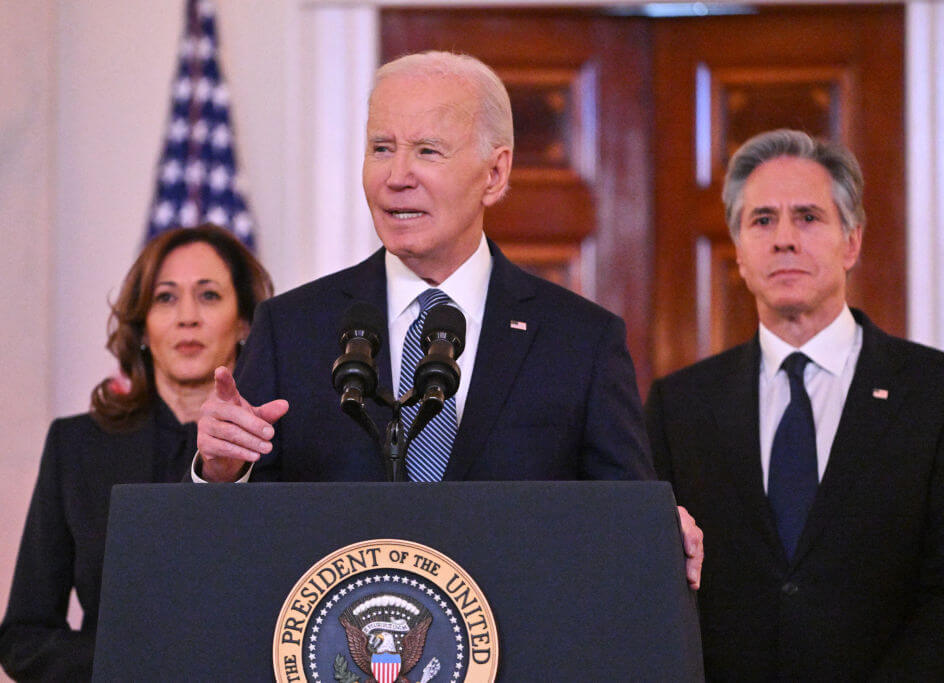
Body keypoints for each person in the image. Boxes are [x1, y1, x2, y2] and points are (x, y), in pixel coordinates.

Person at [193, 51, 703, 586]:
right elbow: (232, 548)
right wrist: (221, 471)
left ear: (495, 172)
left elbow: (617, 525)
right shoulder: (291, 328)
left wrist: (652, 528)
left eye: (427, 151)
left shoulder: (581, 341)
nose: (396, 176)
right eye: (381, 148)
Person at [645, 129, 944, 680]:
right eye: (762, 220)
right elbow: (655, 588)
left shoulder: (932, 391)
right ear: (738, 249)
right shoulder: (679, 405)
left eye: (807, 217)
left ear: (851, 241)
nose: (783, 239)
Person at [0, 225, 272, 681]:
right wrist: (131, 663)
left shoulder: (279, 444)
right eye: (165, 298)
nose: (187, 317)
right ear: (141, 327)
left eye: (209, 296)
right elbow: (21, 638)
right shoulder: (76, 446)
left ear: (244, 324)